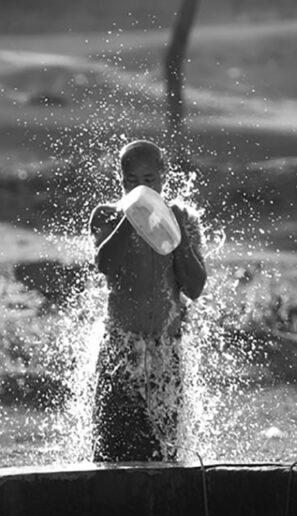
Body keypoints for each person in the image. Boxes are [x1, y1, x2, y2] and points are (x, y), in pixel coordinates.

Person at [87, 140, 207, 462]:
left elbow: (195, 287)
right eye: (132, 181)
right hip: (121, 350)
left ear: (164, 176)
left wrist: (177, 234)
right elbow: (104, 264)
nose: (141, 188)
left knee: (165, 451)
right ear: (120, 179)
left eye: (149, 180)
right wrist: (134, 215)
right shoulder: (108, 217)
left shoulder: (182, 218)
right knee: (113, 449)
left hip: (164, 352)